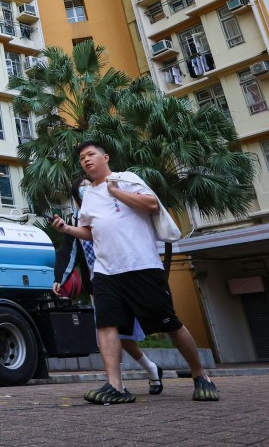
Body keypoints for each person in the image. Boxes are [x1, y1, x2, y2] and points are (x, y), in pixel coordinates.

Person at [52, 141, 219, 404]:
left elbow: (152, 205)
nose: (86, 160)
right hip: (106, 271)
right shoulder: (89, 198)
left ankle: (201, 375)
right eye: (82, 157)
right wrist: (67, 229)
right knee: (106, 325)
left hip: (141, 265)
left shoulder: (126, 179)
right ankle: (116, 386)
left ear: (105, 157)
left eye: (91, 155)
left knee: (169, 323)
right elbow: (90, 233)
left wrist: (116, 192)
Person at [52, 177, 163, 395]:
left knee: (131, 332)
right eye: (81, 187)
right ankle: (117, 384)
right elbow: (70, 251)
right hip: (100, 282)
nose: (86, 189)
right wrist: (60, 278)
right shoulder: (77, 219)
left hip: (127, 275)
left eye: (88, 184)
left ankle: (155, 370)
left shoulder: (113, 206)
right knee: (110, 332)